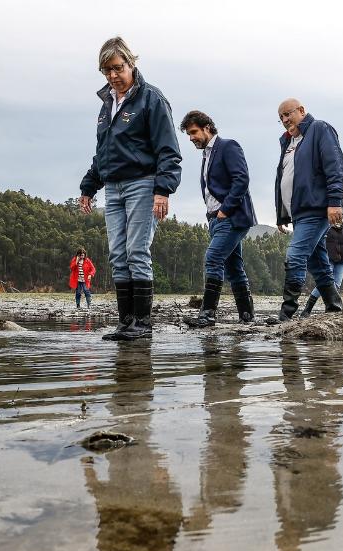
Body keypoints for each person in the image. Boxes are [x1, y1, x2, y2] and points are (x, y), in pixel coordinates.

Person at [79, 36, 182, 341]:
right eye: (106, 71)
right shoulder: (107, 105)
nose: (112, 76)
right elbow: (104, 152)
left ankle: (143, 324)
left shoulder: (152, 99)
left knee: (137, 251)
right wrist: (88, 186)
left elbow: (168, 149)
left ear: (131, 63)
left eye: (117, 68)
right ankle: (126, 322)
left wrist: (162, 189)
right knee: (117, 255)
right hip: (113, 188)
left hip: (143, 184)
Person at [178, 110, 258, 327]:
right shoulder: (206, 155)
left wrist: (225, 210)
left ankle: (207, 315)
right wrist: (212, 215)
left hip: (230, 217)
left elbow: (241, 179)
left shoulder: (228, 146)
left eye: (194, 132)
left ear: (207, 127)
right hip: (215, 219)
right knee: (233, 267)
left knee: (213, 259)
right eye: (188, 134)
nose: (192, 137)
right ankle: (247, 316)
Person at [271, 98, 343, 323]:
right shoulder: (288, 142)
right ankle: (335, 309)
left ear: (302, 111)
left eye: (289, 114)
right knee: (318, 263)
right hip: (298, 213)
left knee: (294, 257)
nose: (285, 120)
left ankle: (287, 313)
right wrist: (281, 214)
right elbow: (285, 179)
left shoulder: (319, 129)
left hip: (315, 208)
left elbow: (336, 166)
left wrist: (335, 202)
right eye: (281, 117)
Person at [301, 221, 343, 317]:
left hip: (342, 260)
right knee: (324, 283)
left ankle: (331, 308)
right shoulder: (326, 224)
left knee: (336, 285)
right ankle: (307, 309)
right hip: (328, 258)